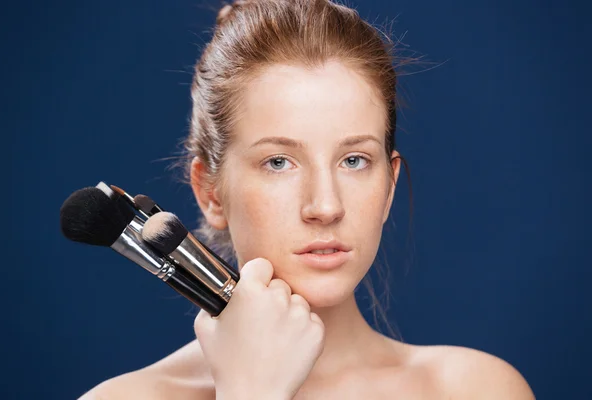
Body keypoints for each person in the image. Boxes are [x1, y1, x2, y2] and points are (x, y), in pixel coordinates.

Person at [80, 0, 535, 398]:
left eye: (354, 161)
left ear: (389, 187)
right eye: (278, 162)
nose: (326, 206)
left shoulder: (476, 389)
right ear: (210, 193)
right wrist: (251, 393)